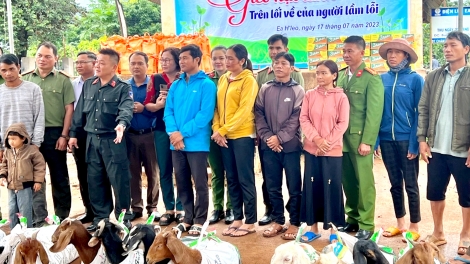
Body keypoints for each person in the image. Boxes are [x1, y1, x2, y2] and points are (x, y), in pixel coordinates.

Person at [69, 48, 134, 231]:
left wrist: (122, 124)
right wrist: (73, 134)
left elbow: (126, 108)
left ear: (114, 66)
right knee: (95, 179)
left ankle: (123, 218)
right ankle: (100, 219)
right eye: (96, 61)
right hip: (91, 140)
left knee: (119, 179)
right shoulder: (90, 84)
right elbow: (79, 111)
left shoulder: (122, 87)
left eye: (102, 62)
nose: (97, 65)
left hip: (113, 140)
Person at [417, 31, 470, 255]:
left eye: (453, 45)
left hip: (462, 148)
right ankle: (438, 232)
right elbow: (424, 109)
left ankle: (466, 234)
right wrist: (421, 139)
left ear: (466, 49)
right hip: (436, 147)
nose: (447, 49)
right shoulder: (433, 77)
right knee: (435, 192)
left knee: (466, 195)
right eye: (445, 45)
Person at [164, 44, 216, 236]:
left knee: (200, 183)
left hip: (196, 143)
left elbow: (205, 115)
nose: (181, 62)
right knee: (182, 181)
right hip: (176, 143)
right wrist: (173, 134)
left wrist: (181, 134)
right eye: (180, 59)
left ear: (197, 60)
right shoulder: (176, 85)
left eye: (185, 58)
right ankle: (187, 218)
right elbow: (168, 111)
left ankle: (200, 219)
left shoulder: (206, 85)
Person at [375, 38, 423, 240]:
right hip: (386, 140)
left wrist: (415, 142)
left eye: (397, 52)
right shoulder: (381, 79)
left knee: (411, 184)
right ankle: (400, 223)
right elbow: (376, 112)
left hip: (406, 140)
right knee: (395, 183)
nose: (392, 56)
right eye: (390, 52)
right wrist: (376, 139)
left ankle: (415, 226)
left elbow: (420, 112)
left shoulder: (415, 79)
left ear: (406, 56)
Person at [337, 36, 384, 240]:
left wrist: (368, 141)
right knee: (347, 181)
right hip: (341, 139)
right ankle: (353, 219)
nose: (346, 55)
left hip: (359, 139)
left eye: (351, 51)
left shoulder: (370, 77)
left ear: (362, 52)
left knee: (364, 182)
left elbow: (374, 113)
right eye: (344, 51)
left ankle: (366, 223)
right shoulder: (339, 76)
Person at [22, 42, 75, 226]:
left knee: (59, 176)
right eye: (39, 55)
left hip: (55, 134)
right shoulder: (26, 79)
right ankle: (40, 218)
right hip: (30, 136)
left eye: (47, 56)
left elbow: (69, 109)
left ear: (56, 59)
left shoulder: (63, 80)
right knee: (35, 177)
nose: (42, 59)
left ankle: (62, 217)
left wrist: (64, 135)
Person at [255, 34, 304, 226]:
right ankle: (277, 219)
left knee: (294, 186)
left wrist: (280, 138)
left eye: (283, 63)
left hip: (290, 145)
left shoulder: (297, 89)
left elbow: (297, 117)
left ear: (291, 68)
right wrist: (269, 138)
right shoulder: (265, 87)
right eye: (276, 63)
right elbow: (259, 113)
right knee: (272, 186)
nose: (279, 66)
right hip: (268, 146)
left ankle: (294, 221)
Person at [299, 60, 349, 243]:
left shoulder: (341, 97)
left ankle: (334, 232)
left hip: (332, 151)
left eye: (324, 73)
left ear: (334, 75)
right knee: (312, 187)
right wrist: (316, 140)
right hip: (312, 150)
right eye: (317, 73)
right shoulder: (309, 95)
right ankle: (313, 229)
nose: (319, 77)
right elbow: (303, 118)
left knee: (332, 187)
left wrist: (326, 142)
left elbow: (343, 123)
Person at [212, 44, 258, 237]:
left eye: (231, 58)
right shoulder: (223, 79)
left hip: (242, 135)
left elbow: (244, 110)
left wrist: (223, 130)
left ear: (242, 60)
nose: (227, 61)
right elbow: (216, 108)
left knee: (245, 179)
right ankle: (237, 218)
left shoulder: (249, 80)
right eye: (226, 58)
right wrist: (217, 129)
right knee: (231, 178)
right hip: (224, 137)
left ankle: (251, 221)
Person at [0, 54, 45, 222]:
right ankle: (16, 228)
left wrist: (36, 143)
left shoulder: (33, 89)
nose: (8, 73)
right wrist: (2, 147)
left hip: (30, 147)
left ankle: (39, 222)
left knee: (36, 185)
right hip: (9, 148)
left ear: (19, 67)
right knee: (12, 187)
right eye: (3, 70)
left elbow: (39, 117)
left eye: (11, 69)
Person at [144, 47, 184, 226]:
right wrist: (159, 105)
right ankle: (169, 208)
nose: (164, 63)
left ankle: (182, 208)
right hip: (161, 129)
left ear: (177, 60)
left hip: (182, 131)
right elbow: (147, 105)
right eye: (162, 60)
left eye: (168, 59)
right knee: (165, 169)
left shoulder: (184, 77)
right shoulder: (156, 78)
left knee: (182, 170)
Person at [126, 51, 160, 221]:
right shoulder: (125, 86)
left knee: (153, 171)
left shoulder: (153, 85)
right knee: (133, 172)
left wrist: (144, 109)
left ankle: (152, 207)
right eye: (133, 63)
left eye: (140, 63)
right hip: (130, 135)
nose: (136, 66)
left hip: (150, 134)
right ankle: (136, 207)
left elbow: (160, 110)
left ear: (147, 65)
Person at [207, 45, 234, 225]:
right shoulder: (208, 80)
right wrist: (216, 131)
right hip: (212, 133)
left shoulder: (236, 78)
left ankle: (231, 207)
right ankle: (217, 207)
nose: (218, 61)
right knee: (217, 172)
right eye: (215, 58)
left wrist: (223, 130)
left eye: (222, 58)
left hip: (232, 133)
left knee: (231, 172)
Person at [0, 123, 45, 229]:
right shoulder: (8, 152)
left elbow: (40, 166)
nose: (11, 141)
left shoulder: (32, 151)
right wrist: (2, 176)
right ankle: (14, 234)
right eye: (9, 139)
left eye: (14, 139)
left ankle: (26, 232)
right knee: (12, 210)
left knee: (25, 211)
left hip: (25, 186)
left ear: (23, 138)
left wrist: (38, 181)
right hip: (11, 186)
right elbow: (4, 165)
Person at [71, 51, 96, 224]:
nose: (79, 65)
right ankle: (89, 209)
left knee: (99, 173)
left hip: (97, 131)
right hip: (79, 132)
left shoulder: (101, 82)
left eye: (83, 62)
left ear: (94, 63)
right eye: (77, 62)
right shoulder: (72, 85)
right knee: (82, 172)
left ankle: (103, 211)